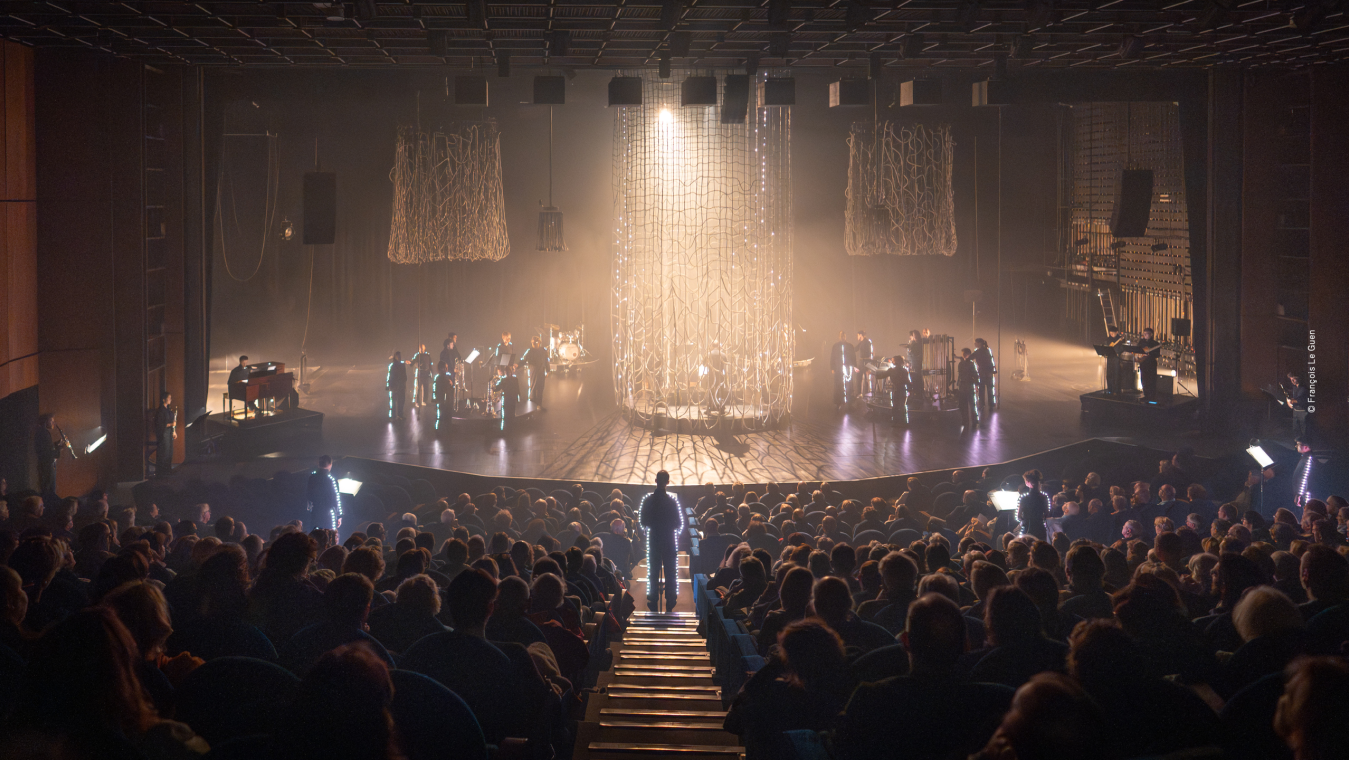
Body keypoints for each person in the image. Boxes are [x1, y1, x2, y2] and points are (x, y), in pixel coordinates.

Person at [638, 470, 684, 612]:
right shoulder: (672, 501)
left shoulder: (648, 500)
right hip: (669, 539)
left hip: (654, 538)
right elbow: (678, 523)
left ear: (656, 481)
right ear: (668, 482)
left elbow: (643, 520)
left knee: (653, 570)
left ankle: (653, 597)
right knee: (671, 570)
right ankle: (670, 599)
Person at [307, 455, 342, 533]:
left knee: (315, 535)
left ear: (319, 464)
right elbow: (336, 498)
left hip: (315, 512)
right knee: (329, 535)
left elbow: (309, 496)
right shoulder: (331, 479)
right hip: (329, 514)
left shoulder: (311, 477)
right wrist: (339, 516)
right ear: (330, 464)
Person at [34, 414, 63, 498]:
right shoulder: (43, 433)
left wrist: (57, 444)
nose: (53, 423)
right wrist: (59, 448)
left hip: (46, 465)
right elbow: (47, 452)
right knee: (48, 490)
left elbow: (47, 448)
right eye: (51, 420)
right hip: (47, 466)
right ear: (45, 421)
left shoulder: (41, 432)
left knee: (48, 489)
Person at [876, 356, 912, 425]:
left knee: (895, 406)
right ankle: (904, 422)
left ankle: (895, 421)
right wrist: (910, 389)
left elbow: (881, 376)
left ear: (895, 362)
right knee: (902, 405)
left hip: (895, 389)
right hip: (903, 389)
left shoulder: (891, 370)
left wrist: (876, 372)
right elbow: (907, 381)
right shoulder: (904, 370)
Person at [1018, 469, 1049, 541]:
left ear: (1028, 482)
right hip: (1041, 529)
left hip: (1027, 530)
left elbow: (1019, 516)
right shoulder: (1044, 497)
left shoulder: (1024, 498)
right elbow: (1047, 514)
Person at [829, 331, 856, 411]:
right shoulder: (835, 346)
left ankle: (850, 403)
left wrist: (854, 366)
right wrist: (832, 368)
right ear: (839, 336)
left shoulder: (850, 346)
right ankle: (838, 403)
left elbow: (853, 357)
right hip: (838, 368)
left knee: (849, 386)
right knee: (838, 386)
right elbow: (832, 357)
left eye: (844, 336)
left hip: (848, 368)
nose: (842, 337)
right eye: (841, 336)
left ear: (846, 336)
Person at [956, 347, 980, 430]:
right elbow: (975, 375)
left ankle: (967, 420)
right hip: (967, 386)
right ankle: (973, 420)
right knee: (970, 405)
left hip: (966, 387)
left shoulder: (965, 364)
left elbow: (974, 375)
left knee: (965, 405)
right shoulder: (969, 363)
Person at [154, 392, 176, 478]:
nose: (170, 399)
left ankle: (167, 471)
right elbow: (160, 424)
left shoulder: (168, 409)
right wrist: (171, 425)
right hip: (163, 434)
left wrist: (174, 431)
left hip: (169, 433)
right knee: (164, 453)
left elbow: (172, 421)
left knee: (170, 452)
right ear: (164, 399)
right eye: (169, 398)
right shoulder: (160, 411)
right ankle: (162, 474)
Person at [972, 337, 997, 414]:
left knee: (981, 390)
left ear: (979, 343)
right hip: (989, 373)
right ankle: (991, 404)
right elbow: (992, 360)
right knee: (990, 389)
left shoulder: (978, 352)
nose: (974, 344)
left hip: (982, 373)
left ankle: (982, 405)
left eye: (975, 342)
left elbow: (970, 358)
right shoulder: (987, 350)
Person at [1136, 327, 1161, 403]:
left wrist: (1150, 354)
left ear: (1151, 334)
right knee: (1144, 380)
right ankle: (1145, 395)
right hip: (1143, 363)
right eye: (1144, 334)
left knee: (1151, 380)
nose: (1145, 335)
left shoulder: (1155, 344)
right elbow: (1137, 350)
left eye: (1146, 334)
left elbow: (1157, 354)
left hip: (1151, 364)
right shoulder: (1141, 342)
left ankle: (1152, 396)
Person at [523, 335, 549, 409]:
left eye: (535, 342)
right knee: (533, 388)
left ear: (539, 342)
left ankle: (539, 405)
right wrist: (517, 365)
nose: (534, 344)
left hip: (541, 371)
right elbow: (523, 360)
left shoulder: (543, 350)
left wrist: (548, 370)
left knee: (540, 388)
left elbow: (546, 361)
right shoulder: (530, 351)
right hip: (533, 371)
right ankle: (532, 405)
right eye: (533, 342)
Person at [1285, 371, 1310, 442]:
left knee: (1304, 431)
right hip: (1295, 411)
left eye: (1294, 379)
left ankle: (1305, 446)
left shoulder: (1304, 388)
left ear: (1298, 378)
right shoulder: (1294, 387)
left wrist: (1292, 401)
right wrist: (1288, 402)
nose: (1292, 381)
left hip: (1303, 412)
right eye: (1291, 379)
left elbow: (1302, 400)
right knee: (1296, 430)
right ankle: (1297, 445)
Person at [386, 351, 408, 421]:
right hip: (395, 385)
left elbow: (404, 376)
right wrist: (389, 385)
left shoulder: (400, 365)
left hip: (399, 385)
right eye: (398, 356)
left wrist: (404, 385)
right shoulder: (393, 366)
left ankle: (398, 414)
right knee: (395, 401)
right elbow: (390, 376)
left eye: (399, 356)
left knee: (400, 400)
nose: (399, 357)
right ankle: (394, 415)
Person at [410, 343, 432, 410]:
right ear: (419, 349)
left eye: (423, 348)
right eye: (421, 348)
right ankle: (417, 401)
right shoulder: (418, 355)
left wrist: (431, 372)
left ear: (424, 348)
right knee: (418, 388)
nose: (422, 349)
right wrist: (410, 363)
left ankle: (424, 401)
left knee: (426, 388)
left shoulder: (427, 355)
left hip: (426, 373)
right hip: (420, 373)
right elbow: (413, 362)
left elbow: (430, 364)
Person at [431, 361, 453, 431]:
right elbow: (439, 389)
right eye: (446, 368)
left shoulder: (443, 377)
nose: (447, 369)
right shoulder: (440, 378)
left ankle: (441, 428)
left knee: (442, 415)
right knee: (440, 415)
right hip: (442, 400)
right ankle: (439, 428)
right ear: (442, 368)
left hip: (443, 400)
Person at [1104, 328, 1126, 395]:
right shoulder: (1108, 339)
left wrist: (1117, 351)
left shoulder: (1120, 339)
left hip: (1117, 358)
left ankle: (1116, 390)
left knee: (1116, 374)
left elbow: (1123, 348)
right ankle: (1110, 389)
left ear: (1117, 332)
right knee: (1109, 374)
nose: (1111, 334)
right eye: (1110, 333)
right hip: (1110, 358)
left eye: (1112, 333)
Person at [855, 330, 874, 397]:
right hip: (861, 362)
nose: (857, 337)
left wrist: (868, 366)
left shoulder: (867, 342)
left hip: (865, 362)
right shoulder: (861, 343)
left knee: (865, 378)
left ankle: (865, 393)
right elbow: (855, 349)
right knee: (859, 377)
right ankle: (859, 393)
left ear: (860, 335)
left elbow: (869, 353)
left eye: (858, 335)